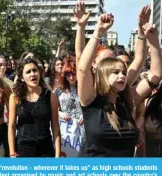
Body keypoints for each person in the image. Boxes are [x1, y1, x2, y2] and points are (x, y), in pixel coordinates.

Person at [77, 12, 162, 157]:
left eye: (124, 72)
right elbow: (82, 68)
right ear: (103, 74)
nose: (122, 75)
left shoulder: (127, 101)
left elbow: (155, 74)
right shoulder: (90, 100)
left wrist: (153, 40)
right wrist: (98, 31)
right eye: (116, 72)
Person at [8, 58, 61, 157]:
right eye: (28, 72)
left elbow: (55, 127)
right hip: (23, 149)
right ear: (22, 77)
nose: (33, 74)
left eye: (35, 70)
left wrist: (58, 154)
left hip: (45, 150)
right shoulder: (15, 97)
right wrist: (12, 153)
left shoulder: (51, 96)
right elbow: (11, 126)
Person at [54, 57, 84, 157]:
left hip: (83, 132)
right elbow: (52, 109)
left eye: (74, 74)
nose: (71, 77)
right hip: (65, 134)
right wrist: (60, 113)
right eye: (68, 74)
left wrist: (85, 115)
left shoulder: (86, 89)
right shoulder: (58, 91)